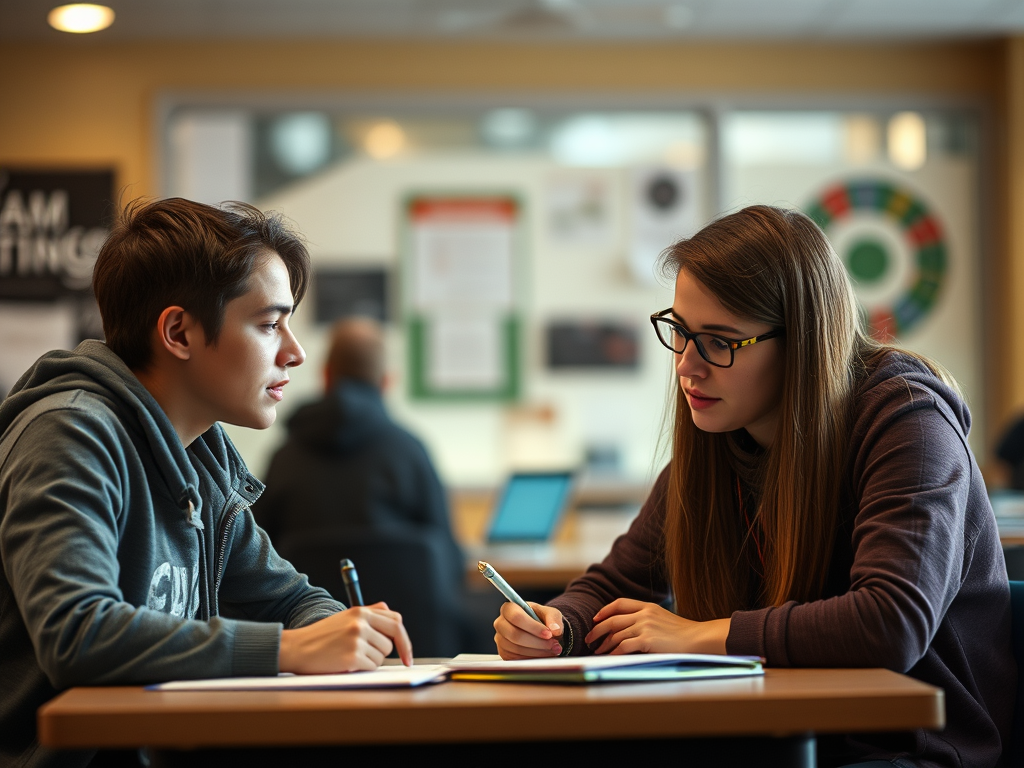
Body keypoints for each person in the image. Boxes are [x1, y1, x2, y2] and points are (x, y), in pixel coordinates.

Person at [492, 205, 1014, 767]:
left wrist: (699, 636)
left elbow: (890, 623)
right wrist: (556, 628)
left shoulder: (909, 424)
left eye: (719, 342)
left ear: (803, 342)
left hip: (907, 749)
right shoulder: (719, 440)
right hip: (766, 733)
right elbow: (615, 584)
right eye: (681, 332)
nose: (687, 366)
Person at [0, 198, 412, 768]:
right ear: (179, 332)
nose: (295, 352)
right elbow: (77, 633)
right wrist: (289, 648)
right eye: (269, 324)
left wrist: (336, 634)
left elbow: (290, 599)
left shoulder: (201, 455)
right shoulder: (69, 433)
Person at [253, 316, 482, 655]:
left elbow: (256, 561)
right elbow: (449, 558)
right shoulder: (410, 451)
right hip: (416, 649)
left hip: (311, 648)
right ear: (386, 381)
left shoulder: (284, 457)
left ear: (326, 376)